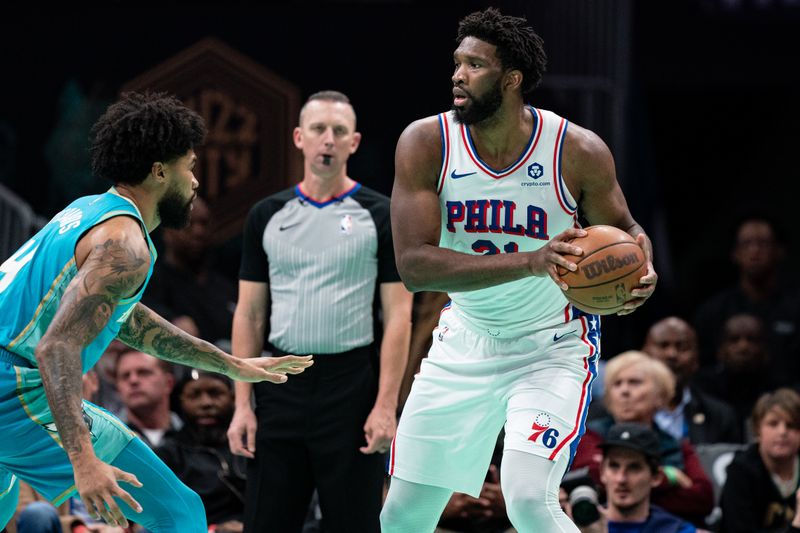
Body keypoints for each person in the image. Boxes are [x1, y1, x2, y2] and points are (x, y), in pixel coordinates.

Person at [380, 7, 657, 533]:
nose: (457, 76)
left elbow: (627, 233)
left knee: (529, 501)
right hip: (464, 341)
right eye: (456, 63)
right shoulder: (426, 143)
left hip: (549, 347)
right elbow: (414, 267)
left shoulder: (576, 150)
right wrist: (532, 260)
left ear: (512, 80)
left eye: (475, 66)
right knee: (402, 516)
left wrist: (642, 268)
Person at [0, 91, 313, 533]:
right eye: (190, 166)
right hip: (13, 394)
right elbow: (57, 347)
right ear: (160, 171)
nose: (195, 181)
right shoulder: (126, 246)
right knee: (179, 513)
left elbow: (122, 317)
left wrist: (230, 364)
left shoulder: (86, 210)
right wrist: (84, 460)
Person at [227, 89, 413, 533]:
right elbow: (249, 315)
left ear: (354, 142)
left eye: (339, 131)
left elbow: (398, 316)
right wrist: (242, 404)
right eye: (318, 130)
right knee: (267, 524)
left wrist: (386, 406)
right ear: (298, 137)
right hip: (278, 384)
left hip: (350, 389)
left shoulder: (382, 214)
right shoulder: (266, 215)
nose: (328, 140)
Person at [572, 351, 714, 524]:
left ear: (660, 395)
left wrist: (630, 499)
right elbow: (591, 478)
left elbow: (703, 499)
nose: (624, 391)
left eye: (634, 382)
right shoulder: (587, 436)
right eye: (617, 384)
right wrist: (669, 477)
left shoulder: (676, 445)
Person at [693, 213, 800, 383]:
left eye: (763, 243)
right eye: (746, 244)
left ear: (779, 251)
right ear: (735, 253)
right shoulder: (713, 311)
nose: (754, 251)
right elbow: (700, 368)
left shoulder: (795, 308)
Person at [156, 370, 245, 533]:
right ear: (181, 401)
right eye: (195, 395)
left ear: (233, 398)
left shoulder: (253, 445)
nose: (206, 403)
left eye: (215, 393)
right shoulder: (168, 455)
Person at [141, 196, 236, 347]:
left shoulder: (225, 286)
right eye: (188, 223)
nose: (199, 231)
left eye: (204, 223)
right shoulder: (149, 283)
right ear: (167, 231)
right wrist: (171, 322)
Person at [576, 422, 705, 533]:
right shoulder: (572, 525)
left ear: (656, 477)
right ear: (602, 471)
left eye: (634, 468)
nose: (621, 479)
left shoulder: (676, 530)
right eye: (614, 466)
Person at [642, 317, 741, 444]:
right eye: (663, 345)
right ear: (644, 354)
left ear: (696, 360)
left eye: (682, 347)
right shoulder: (621, 412)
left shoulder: (720, 416)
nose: (672, 354)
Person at [719, 388, 800, 533]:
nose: (782, 432)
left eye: (791, 425)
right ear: (757, 429)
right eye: (773, 424)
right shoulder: (740, 472)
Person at [114, 350, 181, 448]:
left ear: (168, 383)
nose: (133, 380)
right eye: (125, 376)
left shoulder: (194, 435)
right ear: (118, 388)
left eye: (143, 372)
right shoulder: (106, 439)